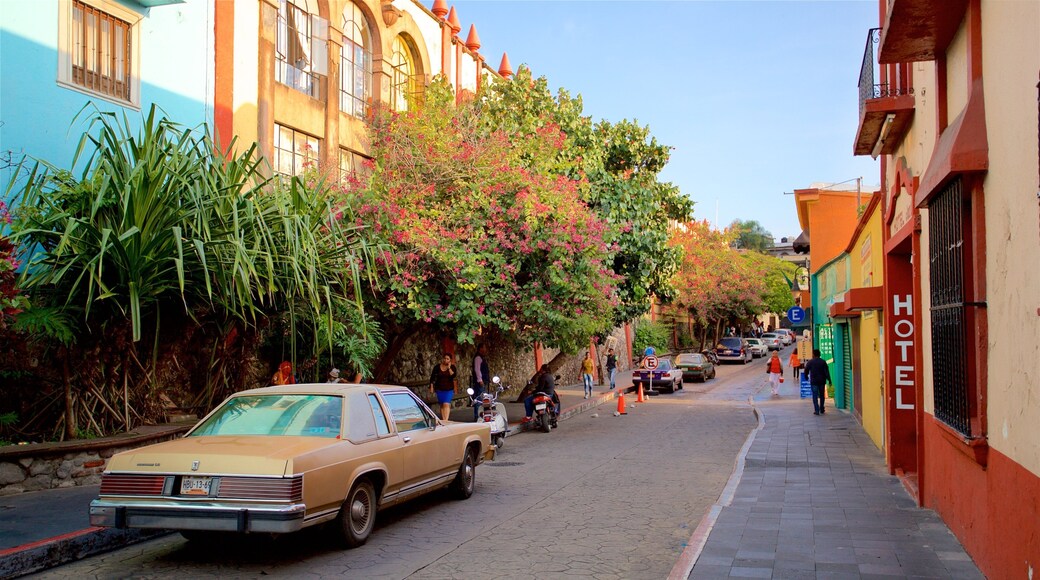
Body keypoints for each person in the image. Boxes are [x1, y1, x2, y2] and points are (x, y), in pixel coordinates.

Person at [428, 353, 458, 421]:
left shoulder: (452, 367)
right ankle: (443, 419)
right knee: (442, 405)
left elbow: (453, 376)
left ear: (450, 360)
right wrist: (431, 387)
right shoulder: (437, 367)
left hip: (449, 389)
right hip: (440, 389)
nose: (445, 360)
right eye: (445, 358)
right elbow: (432, 377)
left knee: (446, 404)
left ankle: (445, 420)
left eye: (447, 359)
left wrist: (449, 368)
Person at [803, 349, 832, 415]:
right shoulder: (823, 362)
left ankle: (816, 410)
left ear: (813, 354)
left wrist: (806, 376)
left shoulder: (810, 362)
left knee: (815, 395)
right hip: (822, 381)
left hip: (814, 381)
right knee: (822, 395)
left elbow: (806, 370)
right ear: (819, 354)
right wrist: (829, 380)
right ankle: (822, 408)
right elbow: (826, 372)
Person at [472, 344, 490, 420]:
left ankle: (481, 415)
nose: (485, 350)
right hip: (480, 382)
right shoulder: (478, 358)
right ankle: (477, 416)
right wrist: (480, 380)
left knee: (482, 399)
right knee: (479, 399)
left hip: (483, 381)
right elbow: (477, 369)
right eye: (484, 348)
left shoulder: (481, 357)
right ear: (480, 349)